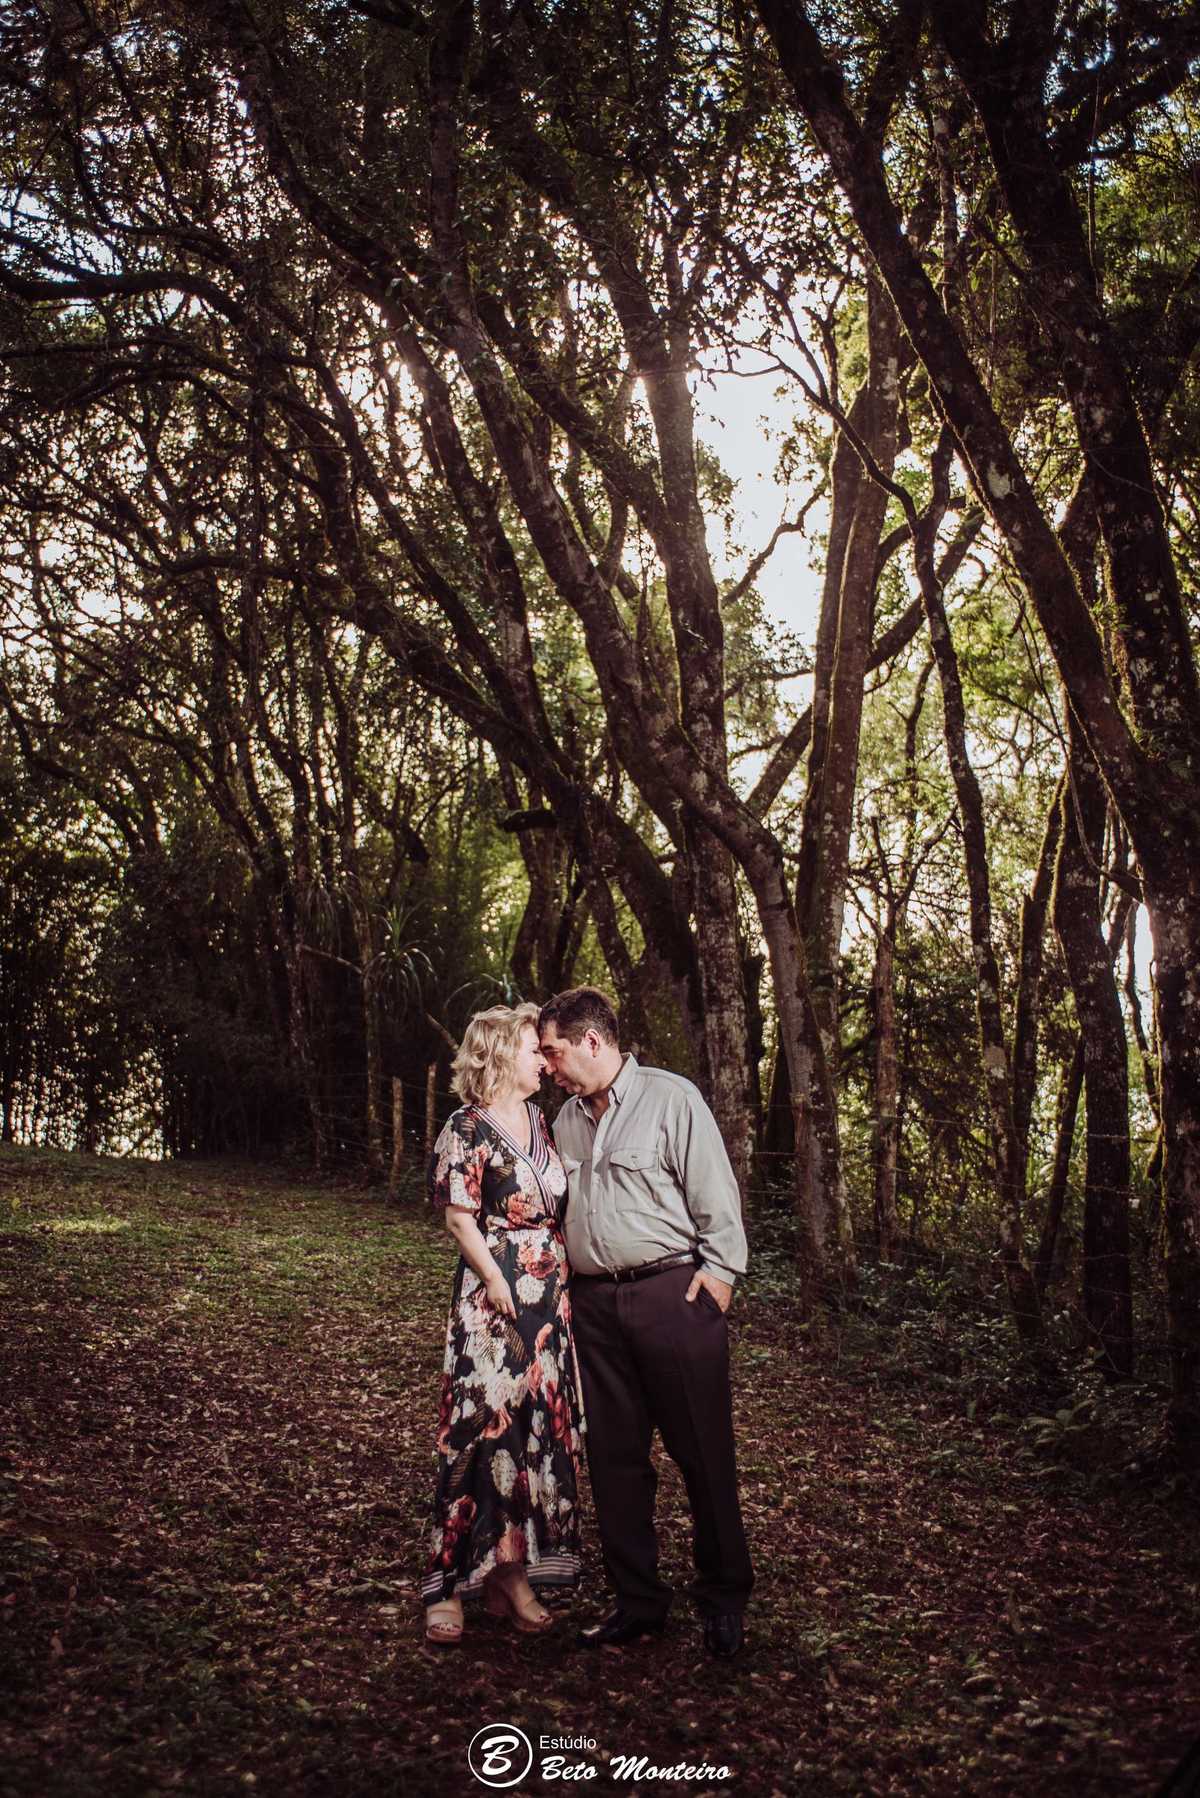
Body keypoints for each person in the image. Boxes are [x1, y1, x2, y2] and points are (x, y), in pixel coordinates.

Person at [538, 987, 753, 1659]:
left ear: (592, 1042)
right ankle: (639, 1602)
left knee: (703, 1455)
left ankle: (724, 1599)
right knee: (615, 1460)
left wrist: (718, 1280)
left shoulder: (672, 1099)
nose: (548, 1066)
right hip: (596, 1308)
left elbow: (716, 1196)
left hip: (673, 1297)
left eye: (554, 1051)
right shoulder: (566, 1120)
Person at [421, 1003, 584, 1646]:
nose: (542, 1058)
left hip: (550, 1300)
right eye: (530, 1048)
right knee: (478, 1432)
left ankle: (511, 1576)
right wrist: (495, 1280)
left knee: (530, 1434)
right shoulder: (466, 1126)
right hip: (494, 1301)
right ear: (497, 1056)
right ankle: (450, 1581)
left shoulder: (542, 1122)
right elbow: (459, 1216)